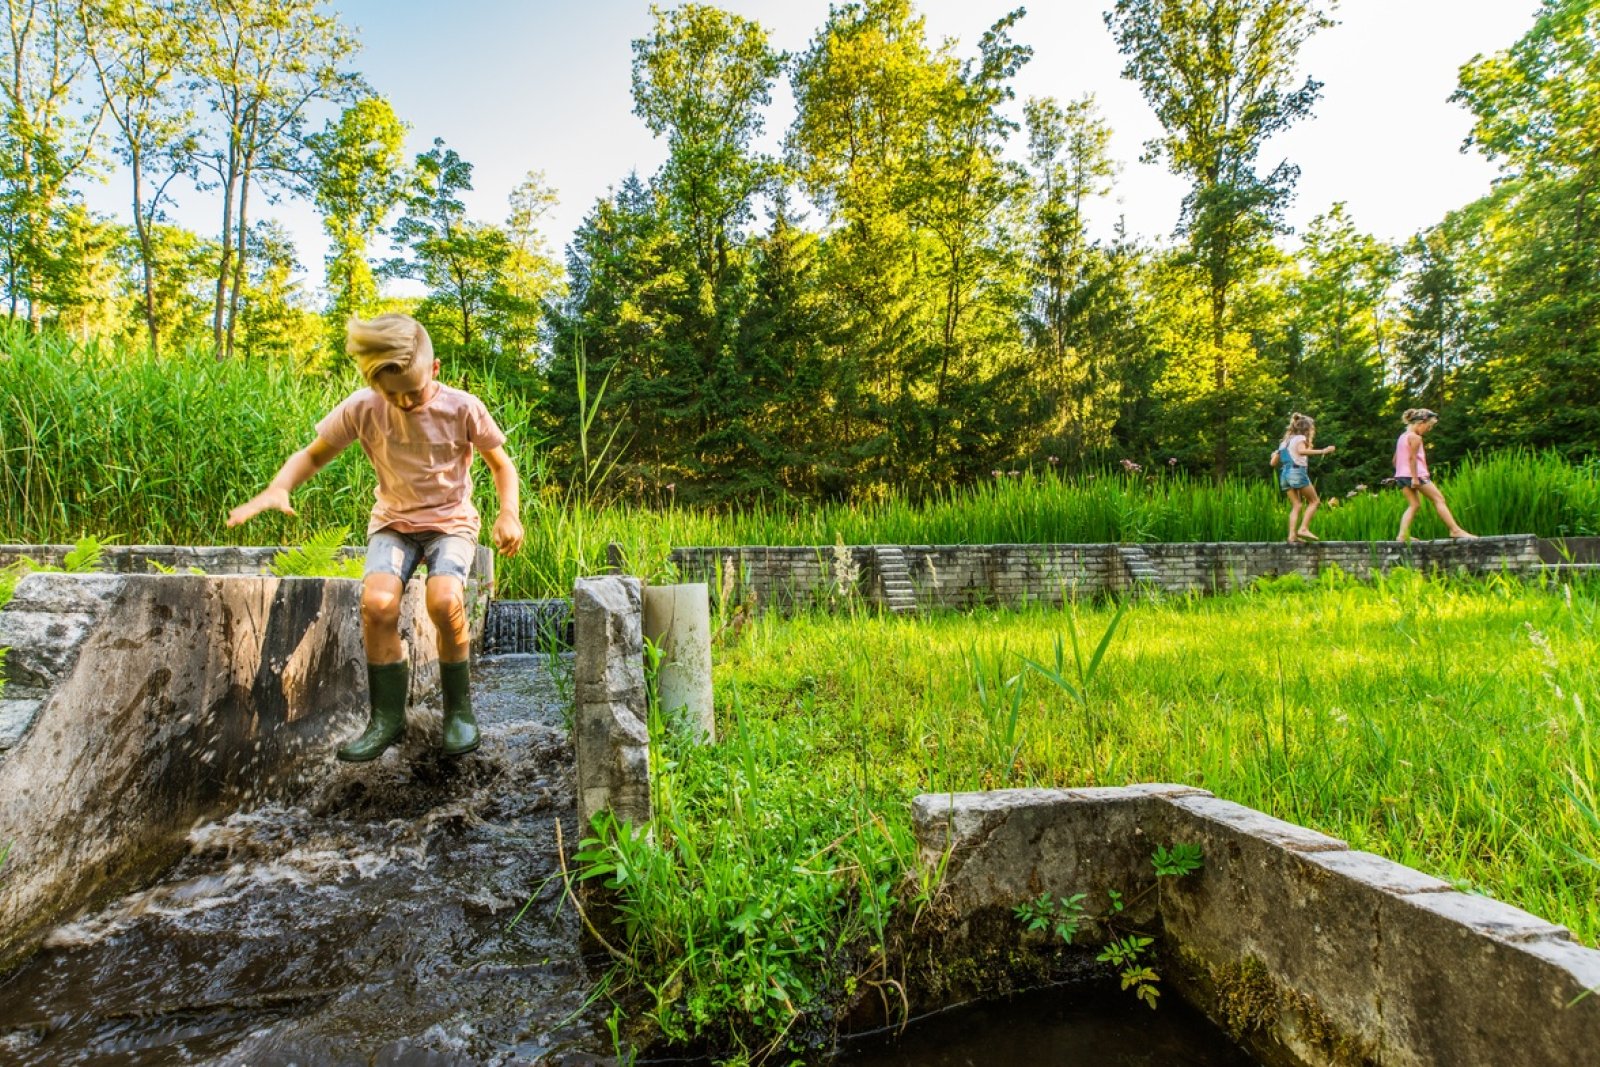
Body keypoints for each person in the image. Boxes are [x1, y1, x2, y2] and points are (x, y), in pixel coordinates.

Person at [227, 313, 523, 761]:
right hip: (393, 524)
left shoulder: (462, 407)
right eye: (392, 394)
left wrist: (508, 514)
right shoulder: (362, 408)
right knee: (377, 603)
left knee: (445, 601)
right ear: (374, 385)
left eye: (415, 391)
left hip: (451, 523)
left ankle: (458, 712)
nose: (404, 402)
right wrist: (280, 486)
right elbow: (314, 454)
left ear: (435, 370)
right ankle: (386, 718)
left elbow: (501, 465)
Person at [1393, 408, 1474, 542]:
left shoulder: (1402, 437)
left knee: (1414, 505)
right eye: (1428, 426)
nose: (1428, 429)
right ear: (1421, 423)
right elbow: (1412, 458)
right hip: (1417, 475)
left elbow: (1395, 459)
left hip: (1401, 475)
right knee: (1439, 499)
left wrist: (1401, 474)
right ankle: (1455, 530)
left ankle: (1402, 535)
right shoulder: (1415, 438)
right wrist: (1414, 478)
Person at [1274, 412, 1335, 543]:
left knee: (1296, 505)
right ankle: (1303, 528)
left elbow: (1273, 463)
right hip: (1296, 472)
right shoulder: (1300, 438)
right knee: (1314, 501)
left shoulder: (1284, 442)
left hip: (1284, 474)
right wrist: (1323, 451)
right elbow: (1301, 451)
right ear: (1307, 428)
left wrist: (1274, 454)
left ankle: (1292, 536)